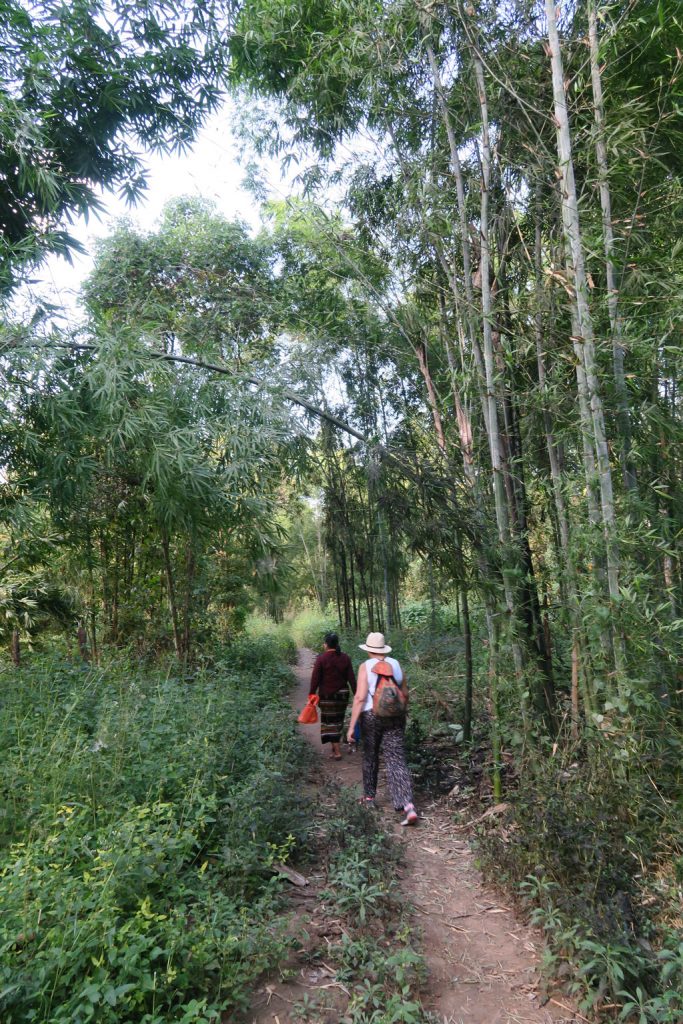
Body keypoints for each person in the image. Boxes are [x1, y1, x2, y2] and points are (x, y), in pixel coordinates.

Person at [346, 631, 418, 826]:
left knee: (370, 755)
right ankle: (407, 805)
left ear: (368, 650)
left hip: (371, 716)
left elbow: (360, 697)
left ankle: (369, 798)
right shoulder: (395, 664)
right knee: (396, 759)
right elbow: (405, 693)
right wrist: (400, 713)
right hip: (395, 716)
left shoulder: (365, 666)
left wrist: (351, 727)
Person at [309, 632, 356, 760]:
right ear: (337, 644)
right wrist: (356, 693)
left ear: (326, 644)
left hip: (327, 696)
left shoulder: (321, 659)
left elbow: (315, 679)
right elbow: (351, 678)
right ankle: (334, 748)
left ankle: (337, 751)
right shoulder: (345, 658)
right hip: (342, 696)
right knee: (338, 721)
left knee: (329, 722)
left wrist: (311, 694)